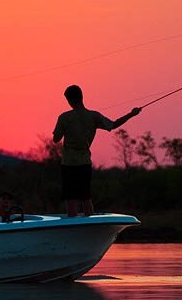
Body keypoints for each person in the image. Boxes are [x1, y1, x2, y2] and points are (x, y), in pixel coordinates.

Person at [52, 84, 141, 217]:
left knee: (71, 198)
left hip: (69, 164)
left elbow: (56, 139)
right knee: (85, 197)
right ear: (81, 97)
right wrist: (131, 114)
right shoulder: (94, 116)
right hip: (85, 163)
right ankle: (90, 227)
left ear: (69, 100)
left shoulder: (64, 117)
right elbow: (114, 124)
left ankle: (72, 228)